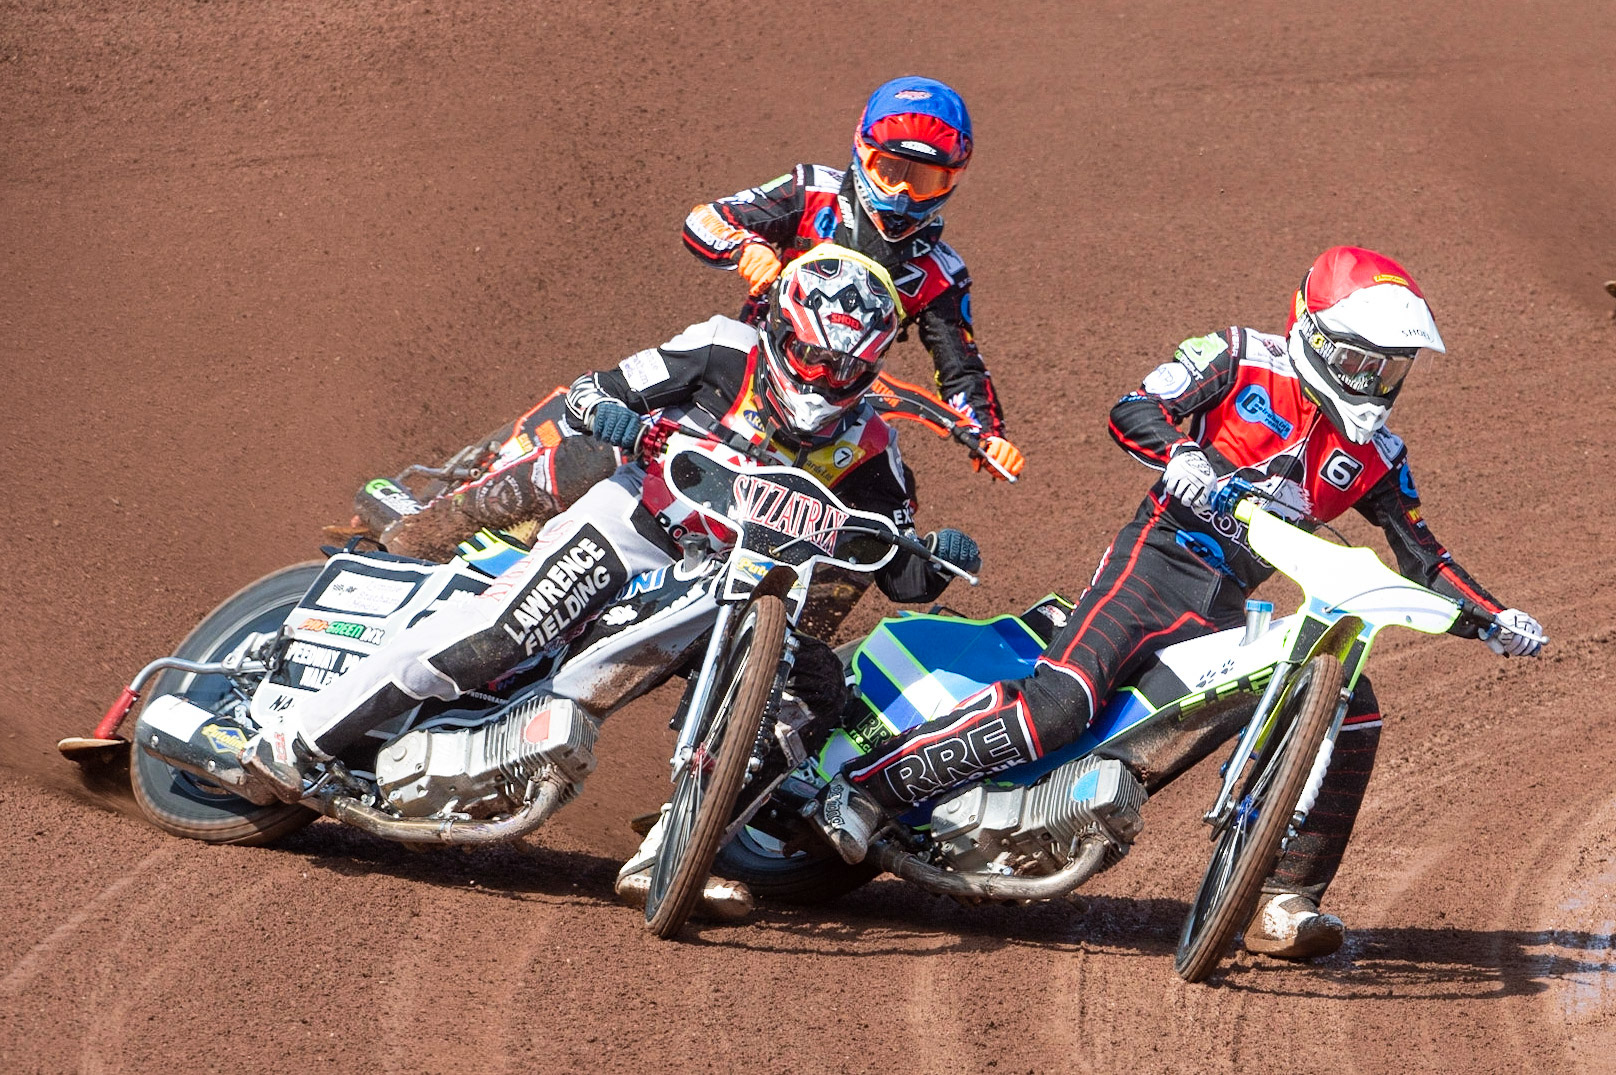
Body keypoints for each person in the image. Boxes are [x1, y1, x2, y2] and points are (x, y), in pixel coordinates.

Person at [815, 246, 1547, 959]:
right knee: (1059, 707)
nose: (1374, 381)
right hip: (1152, 566)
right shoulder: (1237, 356)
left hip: (1229, 608)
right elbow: (1134, 407)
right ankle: (865, 791)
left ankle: (1283, 901)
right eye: (1362, 360)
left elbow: (1425, 555)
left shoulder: (1380, 454)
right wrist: (1181, 455)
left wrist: (1494, 618)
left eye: (1390, 369)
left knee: (1351, 702)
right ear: (1317, 336)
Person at [236, 244, 981, 811]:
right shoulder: (724, 346)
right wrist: (617, 418)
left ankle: (686, 839)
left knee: (803, 704)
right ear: (786, 328)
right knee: (498, 637)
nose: (824, 379)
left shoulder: (874, 445)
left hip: (738, 585)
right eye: (815, 356)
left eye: (846, 368)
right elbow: (595, 390)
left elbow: (899, 567)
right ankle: (299, 739)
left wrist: (938, 557)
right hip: (638, 525)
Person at [683, 75, 1024, 482]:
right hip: (748, 369)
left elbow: (960, 367)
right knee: (644, 413)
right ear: (863, 152)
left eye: (924, 180)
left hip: (838, 406)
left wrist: (987, 435)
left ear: (953, 179)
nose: (903, 193)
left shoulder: (939, 272)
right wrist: (746, 247)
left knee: (894, 494)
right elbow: (707, 219)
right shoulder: (810, 191)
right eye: (892, 170)